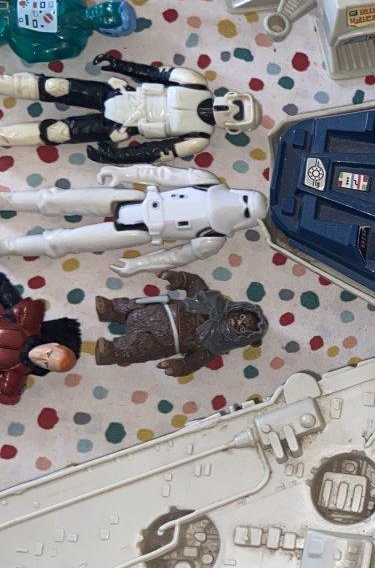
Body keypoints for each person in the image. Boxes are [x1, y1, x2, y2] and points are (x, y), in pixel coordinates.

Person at [0, 163, 269, 276]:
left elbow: (175, 257)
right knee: (54, 199)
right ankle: (7, 201)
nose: (238, 205)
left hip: (140, 231)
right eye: (245, 199)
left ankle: (10, 248)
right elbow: (161, 174)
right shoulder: (205, 181)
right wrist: (124, 173)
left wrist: (139, 264)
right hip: (136, 200)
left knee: (63, 241)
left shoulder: (213, 239)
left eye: (246, 210)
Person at [0, 55, 260, 164]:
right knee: (56, 86)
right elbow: (153, 73)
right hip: (117, 93)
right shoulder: (194, 81)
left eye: (237, 115)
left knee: (58, 132)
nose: (230, 109)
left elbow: (155, 151)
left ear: (233, 128)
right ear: (232, 95)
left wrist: (117, 156)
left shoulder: (198, 138)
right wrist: (119, 65)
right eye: (237, 104)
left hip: (118, 127)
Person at [95, 271, 268, 374]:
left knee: (138, 346)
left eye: (242, 327)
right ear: (238, 309)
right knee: (134, 305)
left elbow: (192, 363)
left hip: (159, 341)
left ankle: (111, 352)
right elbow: (194, 282)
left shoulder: (211, 347)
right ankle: (111, 309)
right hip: (154, 311)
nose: (238, 322)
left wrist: (179, 366)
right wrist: (179, 278)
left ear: (240, 338)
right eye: (241, 317)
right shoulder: (208, 300)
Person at [0, 0, 140, 65]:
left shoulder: (72, 45)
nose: (103, 11)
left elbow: (32, 55)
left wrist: (9, 33)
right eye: (108, 6)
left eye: (109, 18)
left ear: (107, 31)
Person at [0, 272, 81, 405]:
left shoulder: (17, 372)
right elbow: (5, 289)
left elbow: (8, 395)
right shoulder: (28, 325)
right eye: (48, 354)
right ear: (52, 344)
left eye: (46, 363)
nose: (40, 357)